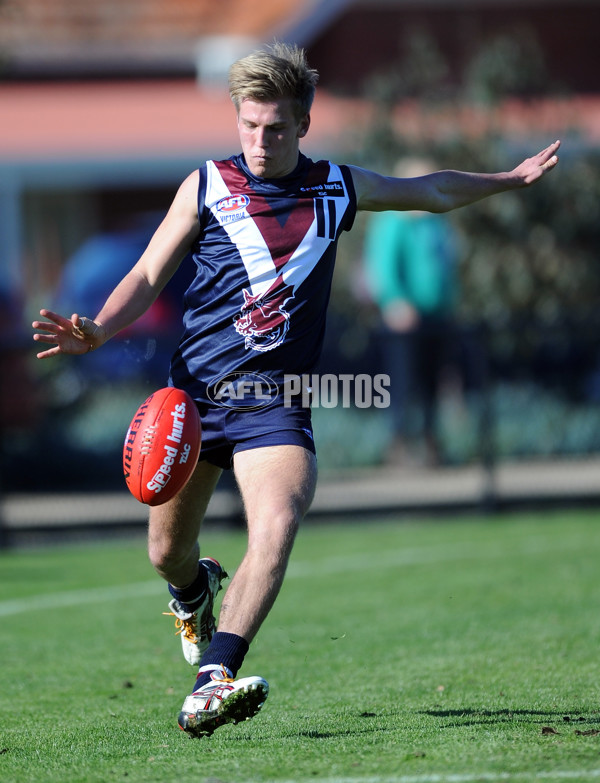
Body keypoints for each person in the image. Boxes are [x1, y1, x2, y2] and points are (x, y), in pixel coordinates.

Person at [32, 42, 560, 737]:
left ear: (303, 123)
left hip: (273, 405)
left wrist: (505, 179)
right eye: (248, 125)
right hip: (193, 401)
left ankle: (212, 678)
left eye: (275, 127)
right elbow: (147, 272)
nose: (259, 140)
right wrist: (99, 326)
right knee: (166, 551)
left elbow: (428, 190)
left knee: (277, 521)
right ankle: (193, 591)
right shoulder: (206, 185)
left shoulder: (337, 187)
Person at [363, 157, 460, 466]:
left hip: (436, 317)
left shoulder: (435, 220)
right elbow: (382, 266)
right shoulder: (393, 220)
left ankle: (432, 443)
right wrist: (394, 300)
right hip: (404, 320)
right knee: (401, 385)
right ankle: (399, 445)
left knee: (433, 384)